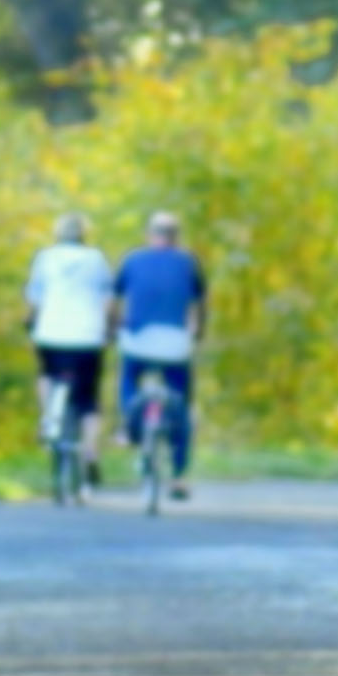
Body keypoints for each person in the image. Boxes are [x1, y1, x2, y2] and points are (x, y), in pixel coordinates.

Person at [112, 210, 207, 500]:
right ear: (176, 237)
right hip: (175, 343)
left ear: (149, 234)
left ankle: (128, 424)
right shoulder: (188, 262)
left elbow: (114, 300)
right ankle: (178, 476)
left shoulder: (132, 259)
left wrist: (112, 328)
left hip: (138, 340)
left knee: (129, 378)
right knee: (181, 404)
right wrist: (197, 333)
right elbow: (199, 305)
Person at [24, 213, 117, 493]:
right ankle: (90, 452)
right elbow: (108, 298)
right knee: (88, 399)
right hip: (88, 335)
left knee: (46, 373)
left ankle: (48, 418)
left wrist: (31, 321)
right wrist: (109, 328)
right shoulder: (96, 259)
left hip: (51, 332)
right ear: (82, 234)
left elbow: (34, 297)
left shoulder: (45, 258)